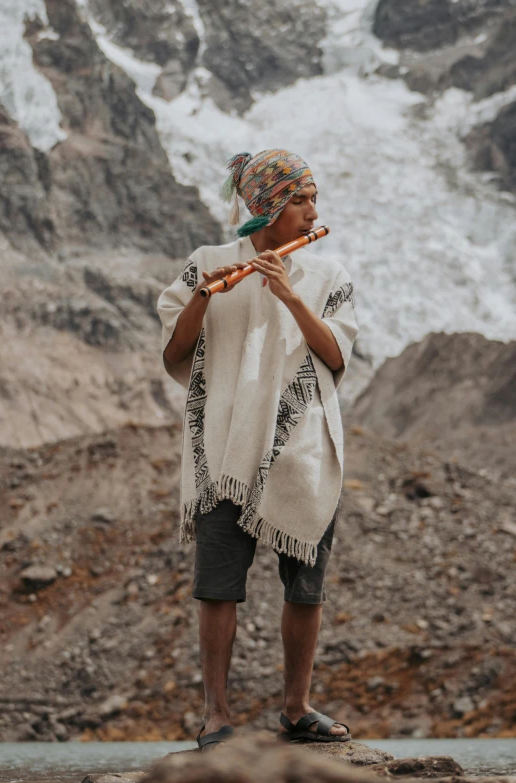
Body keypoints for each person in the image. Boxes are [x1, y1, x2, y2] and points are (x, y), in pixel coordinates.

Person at [157, 149, 359, 752]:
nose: (312, 210)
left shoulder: (328, 275)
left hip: (301, 447)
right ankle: (215, 715)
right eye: (300, 199)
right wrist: (205, 296)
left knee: (306, 584)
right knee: (217, 584)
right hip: (222, 445)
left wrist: (291, 296)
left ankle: (296, 708)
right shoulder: (208, 265)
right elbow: (174, 354)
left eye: (313, 198)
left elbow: (338, 356)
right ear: (267, 205)